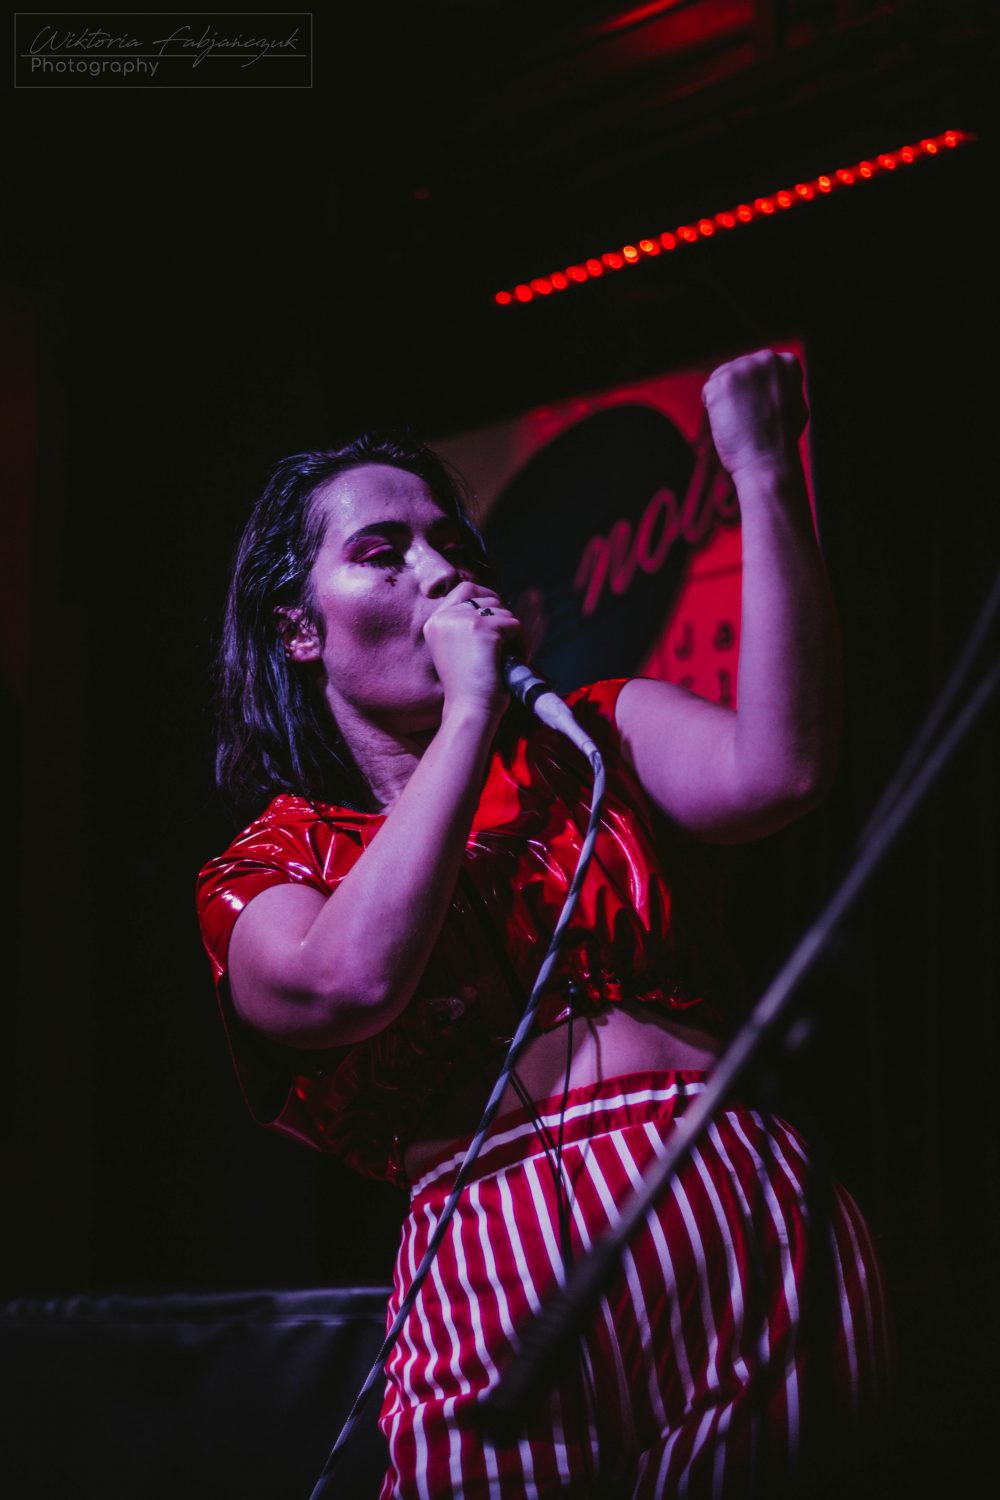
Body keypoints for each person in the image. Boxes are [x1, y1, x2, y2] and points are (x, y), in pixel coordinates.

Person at [196, 350, 891, 1499]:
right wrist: (470, 707)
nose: (439, 572)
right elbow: (342, 985)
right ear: (298, 630)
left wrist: (763, 469)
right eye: (382, 553)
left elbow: (781, 770)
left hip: (722, 1201)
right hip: (488, 1261)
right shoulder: (268, 865)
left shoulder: (595, 736)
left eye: (451, 546)